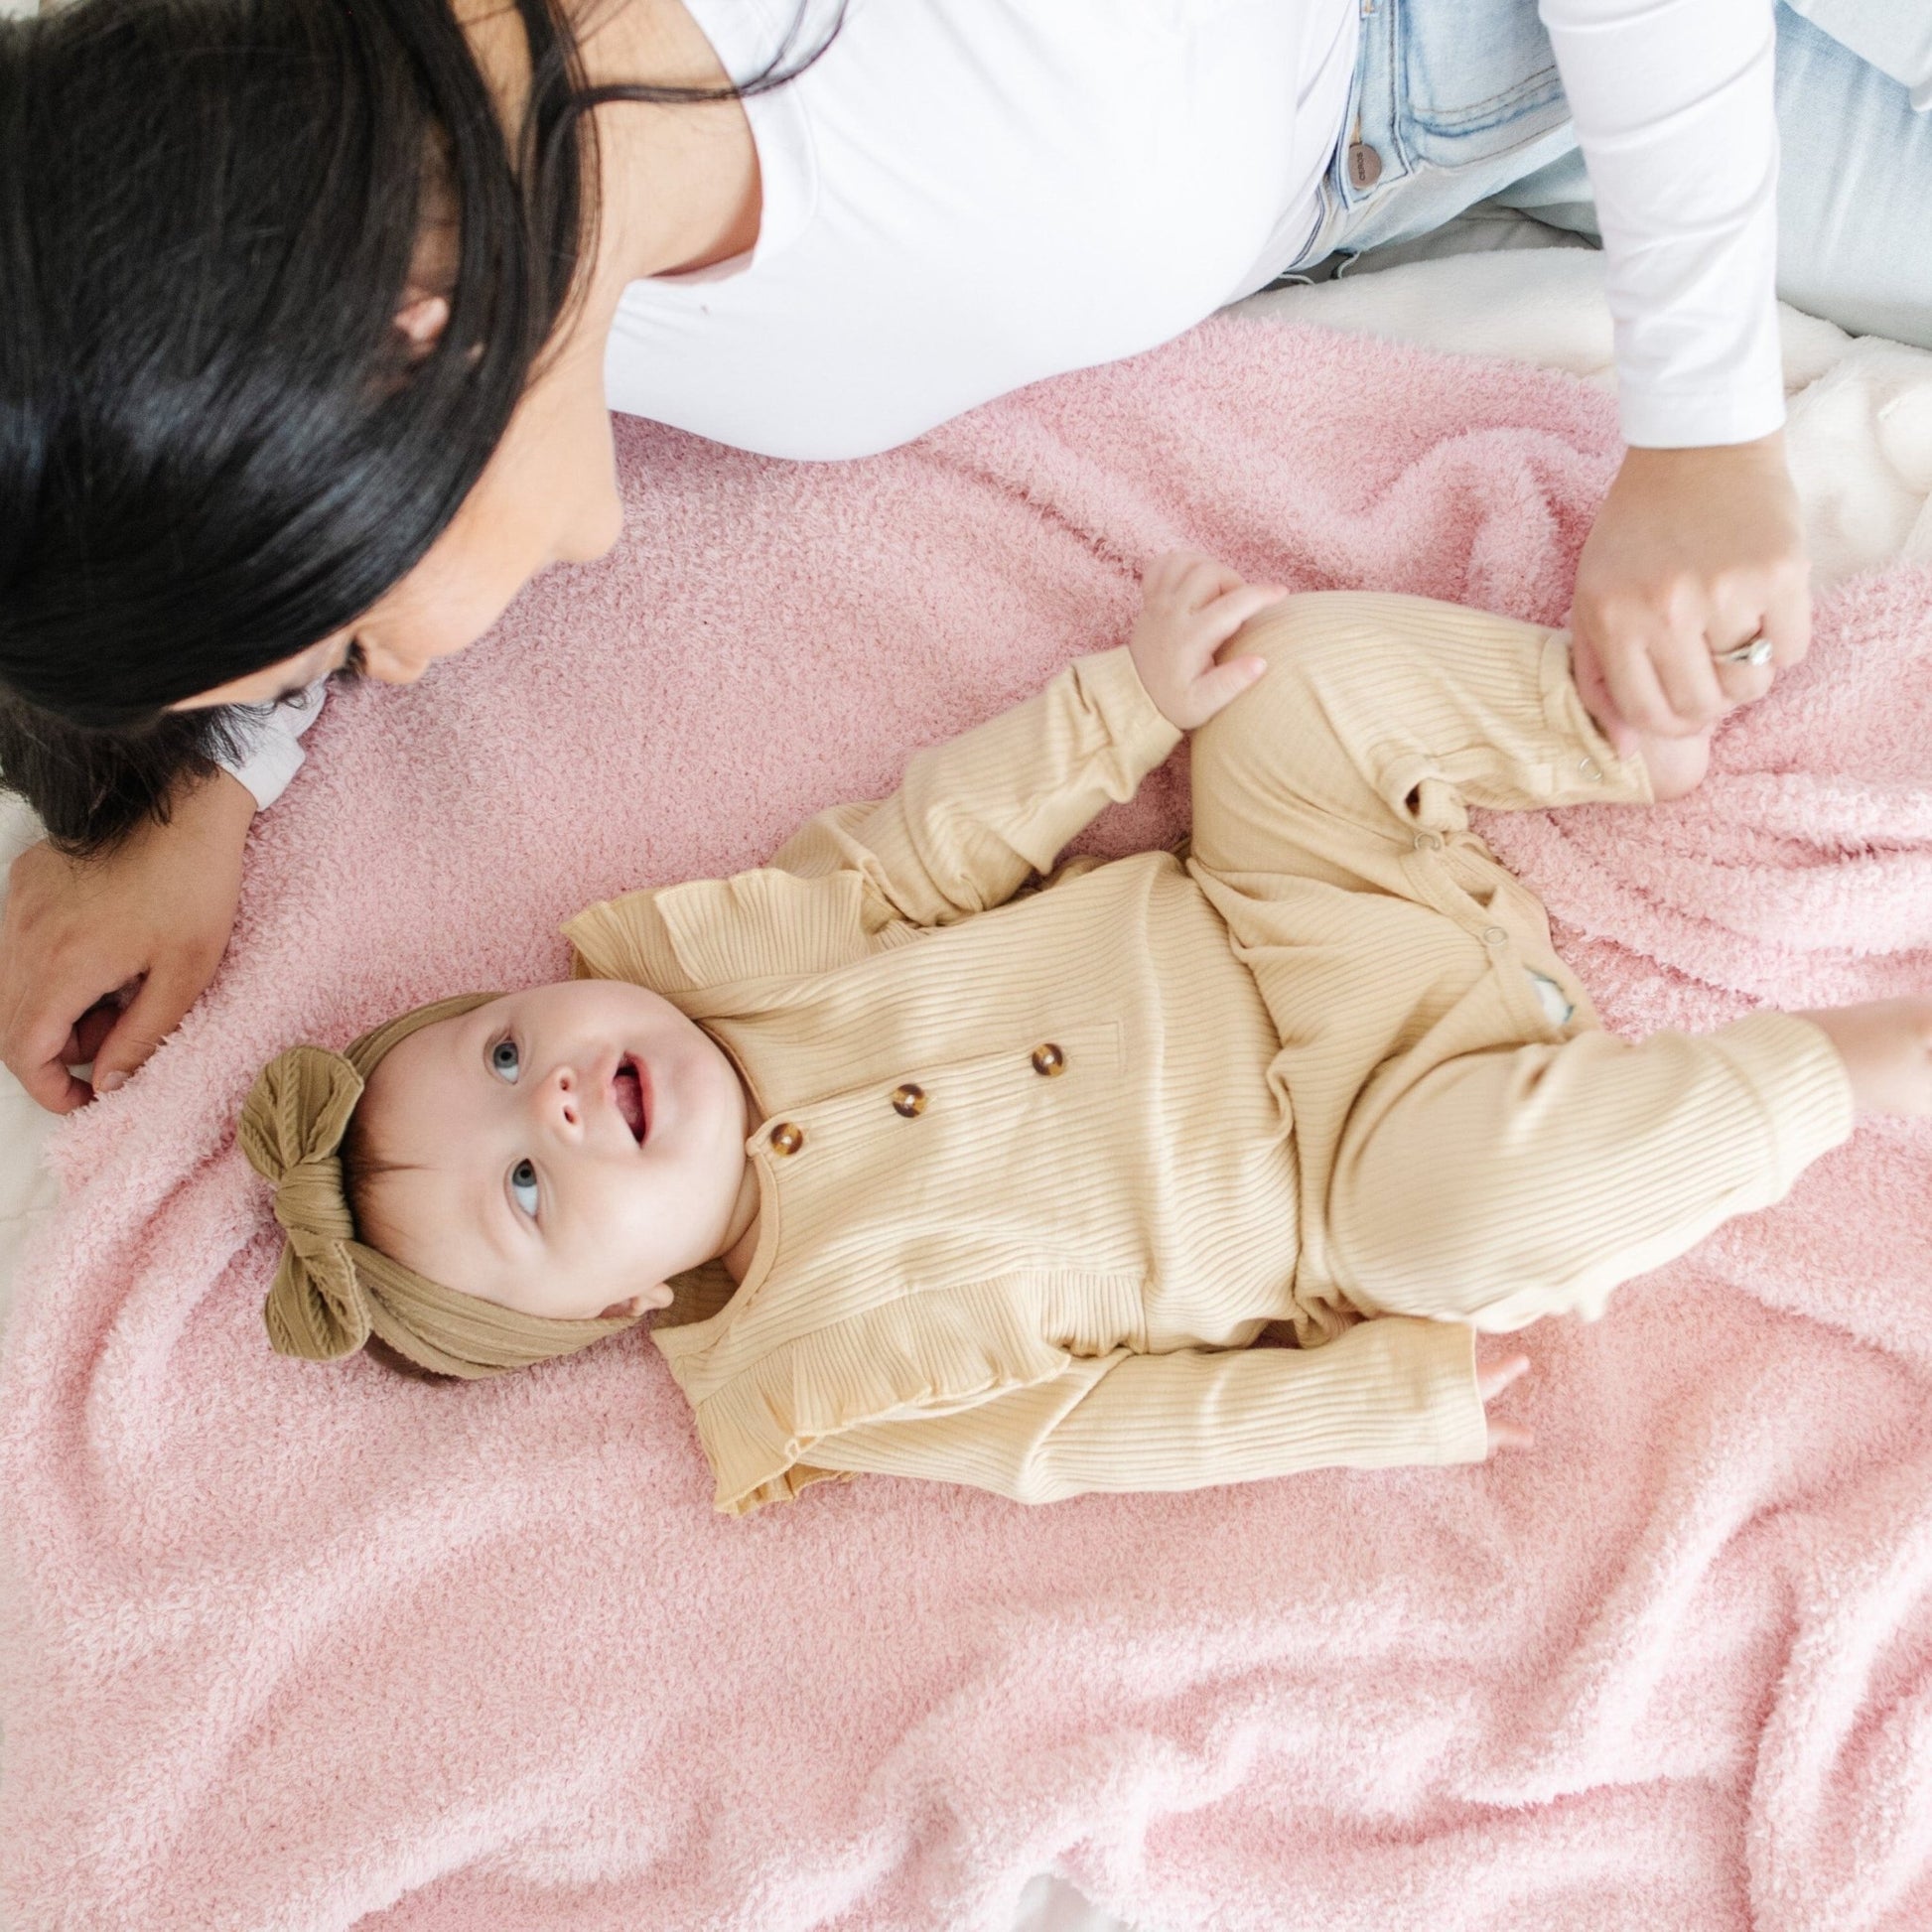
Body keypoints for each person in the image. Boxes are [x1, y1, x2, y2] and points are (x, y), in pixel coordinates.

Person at [6, 0, 1931, 1114]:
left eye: (333, 623)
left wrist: (1698, 428)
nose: (393, 667)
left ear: (409, 332)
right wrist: (197, 789)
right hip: (1369, 171)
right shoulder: (457, 188)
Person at [237, 559, 1928, 1513]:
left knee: (1284, 679)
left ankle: (1594, 728)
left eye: (510, 1057)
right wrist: (1376, 1400)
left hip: (1285, 905)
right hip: (1358, 1182)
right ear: (620, 1307)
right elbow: (1094, 1432)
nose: (563, 1110)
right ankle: (1850, 1063)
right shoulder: (813, 1373)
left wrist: (1131, 701)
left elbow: (936, 837)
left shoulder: (745, 961)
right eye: (530, 1188)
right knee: (1470, 1225)